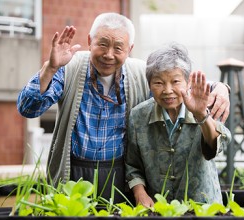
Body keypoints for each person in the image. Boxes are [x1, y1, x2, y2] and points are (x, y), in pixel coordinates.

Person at [17, 12, 230, 203]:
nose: (109, 54)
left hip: (120, 177)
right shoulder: (68, 66)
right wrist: (51, 68)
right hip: (74, 172)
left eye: (118, 47)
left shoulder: (141, 73)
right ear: (90, 41)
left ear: (130, 49)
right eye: (102, 44)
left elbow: (182, 86)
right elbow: (29, 109)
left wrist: (221, 87)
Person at [125, 42, 232, 207]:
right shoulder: (138, 116)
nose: (167, 90)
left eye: (175, 81)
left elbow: (217, 145)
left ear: (188, 83)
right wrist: (140, 193)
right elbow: (133, 165)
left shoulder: (205, 104)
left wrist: (201, 115)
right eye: (159, 83)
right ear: (149, 85)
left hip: (203, 209)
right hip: (159, 211)